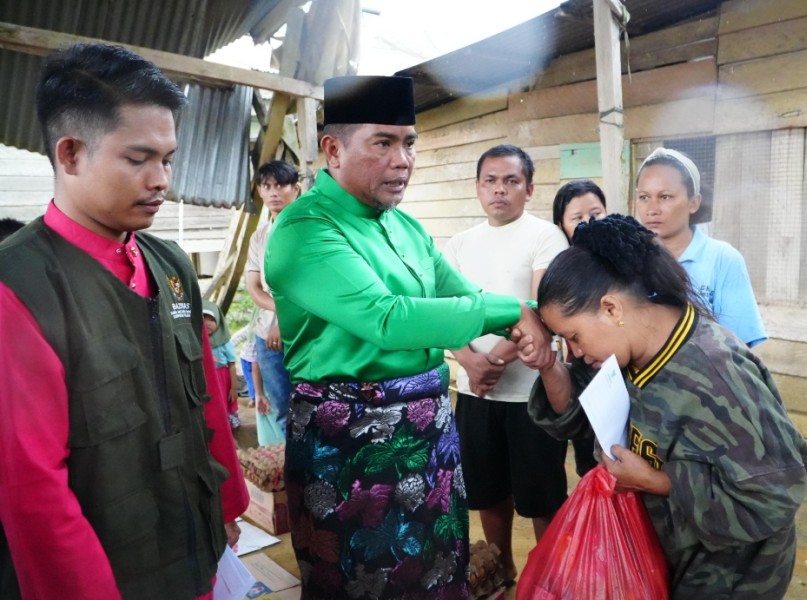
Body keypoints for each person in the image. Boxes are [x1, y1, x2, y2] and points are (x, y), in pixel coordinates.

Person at [264, 75, 554, 599]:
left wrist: (531, 316)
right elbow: (388, 319)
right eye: (384, 143)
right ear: (333, 149)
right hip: (350, 447)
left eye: (409, 143)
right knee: (362, 578)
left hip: (428, 440)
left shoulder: (407, 228)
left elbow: (459, 293)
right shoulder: (305, 229)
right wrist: (513, 310)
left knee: (439, 569)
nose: (404, 160)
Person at [0, 42, 248, 599]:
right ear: (70, 154)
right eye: (139, 160)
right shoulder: (18, 288)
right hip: (108, 569)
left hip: (191, 543)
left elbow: (204, 395)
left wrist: (226, 507)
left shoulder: (172, 266)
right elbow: (33, 491)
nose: (162, 180)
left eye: (168, 160)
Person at [516, 214, 807, 599]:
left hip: (729, 574)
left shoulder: (716, 372)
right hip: (667, 554)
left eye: (573, 337)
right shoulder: (628, 352)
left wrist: (654, 481)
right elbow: (575, 414)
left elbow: (777, 493)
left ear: (611, 309)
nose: (574, 350)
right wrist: (548, 364)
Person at [444, 144, 569, 583]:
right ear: (478, 188)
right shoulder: (459, 245)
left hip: (531, 392)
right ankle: (503, 568)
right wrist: (468, 361)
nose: (500, 189)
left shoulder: (545, 237)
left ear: (529, 189)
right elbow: (447, 313)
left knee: (541, 494)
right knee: (487, 489)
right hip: (476, 390)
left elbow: (542, 311)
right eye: (490, 181)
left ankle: (547, 578)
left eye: (511, 181)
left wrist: (494, 357)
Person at [635, 147, 766, 347]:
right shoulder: (629, 258)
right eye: (644, 197)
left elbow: (738, 347)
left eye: (665, 197)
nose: (652, 209)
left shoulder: (722, 259)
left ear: (693, 202)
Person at [550, 179, 609, 476]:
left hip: (628, 378)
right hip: (586, 376)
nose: (588, 223)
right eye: (577, 218)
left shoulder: (624, 259)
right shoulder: (561, 270)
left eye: (596, 214)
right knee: (591, 466)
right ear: (561, 225)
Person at [246, 159, 301, 439]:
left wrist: (285, 321)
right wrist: (279, 314)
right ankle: (291, 470)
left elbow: (304, 286)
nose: (273, 192)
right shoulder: (260, 236)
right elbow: (254, 287)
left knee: (309, 403)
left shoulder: (308, 231)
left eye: (280, 185)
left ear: (297, 189)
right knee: (281, 407)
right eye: (266, 186)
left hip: (304, 333)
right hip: (266, 335)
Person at [204, 300, 241, 430]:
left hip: (222, 381)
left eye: (211, 319)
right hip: (205, 381)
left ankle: (228, 433)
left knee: (223, 403)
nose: (207, 323)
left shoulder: (224, 343)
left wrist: (233, 389)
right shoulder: (197, 342)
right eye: (203, 318)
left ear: (218, 321)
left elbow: (231, 365)